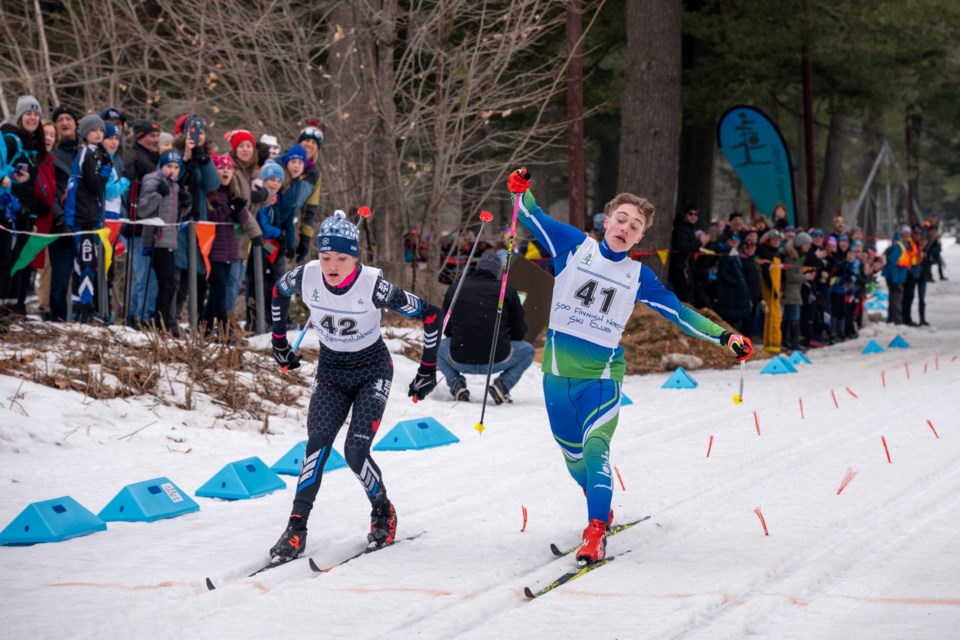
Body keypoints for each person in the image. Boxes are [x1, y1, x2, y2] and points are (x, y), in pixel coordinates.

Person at [507, 169, 753, 564]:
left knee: (596, 451)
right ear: (607, 221)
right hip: (555, 379)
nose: (626, 227)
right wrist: (521, 188)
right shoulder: (574, 246)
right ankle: (599, 506)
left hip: (601, 380)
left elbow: (680, 313)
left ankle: (595, 532)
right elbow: (531, 215)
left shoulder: (639, 277)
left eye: (635, 226)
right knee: (575, 464)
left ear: (640, 238)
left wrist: (725, 337)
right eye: (621, 219)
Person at [267, 210, 442, 563]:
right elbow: (277, 292)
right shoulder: (306, 276)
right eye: (325, 256)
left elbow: (432, 314)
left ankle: (382, 511)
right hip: (332, 371)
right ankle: (296, 527)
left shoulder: (374, 285)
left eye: (342, 258)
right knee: (316, 445)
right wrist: (279, 343)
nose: (332, 265)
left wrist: (427, 369)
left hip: (372, 370)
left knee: (355, 452)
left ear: (356, 257)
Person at [438, 251, 535, 403]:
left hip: (459, 358)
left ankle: (456, 384)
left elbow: (446, 328)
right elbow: (518, 331)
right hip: (497, 359)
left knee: (435, 345)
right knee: (528, 350)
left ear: (478, 267)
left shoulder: (455, 288)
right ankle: (503, 385)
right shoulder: (507, 291)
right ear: (497, 271)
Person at [63, 114, 111, 322]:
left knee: (82, 262)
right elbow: (96, 185)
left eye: (101, 130)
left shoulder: (91, 154)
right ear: (84, 134)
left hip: (85, 216)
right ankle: (85, 306)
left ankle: (78, 305)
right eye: (93, 130)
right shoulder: (88, 155)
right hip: (84, 218)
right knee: (86, 263)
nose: (98, 133)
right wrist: (106, 170)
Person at [139, 150, 190, 335]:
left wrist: (186, 205)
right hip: (156, 237)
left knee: (167, 283)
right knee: (168, 282)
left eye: (176, 167)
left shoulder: (174, 186)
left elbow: (175, 216)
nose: (173, 170)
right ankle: (160, 321)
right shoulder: (153, 181)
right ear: (162, 166)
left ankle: (162, 321)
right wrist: (158, 195)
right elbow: (143, 210)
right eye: (169, 166)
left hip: (170, 238)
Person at [667, 204, 699, 302]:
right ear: (685, 215)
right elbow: (683, 247)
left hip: (685, 267)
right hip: (679, 267)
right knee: (683, 296)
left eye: (696, 214)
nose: (693, 216)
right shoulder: (682, 228)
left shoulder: (689, 228)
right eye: (690, 214)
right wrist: (700, 242)